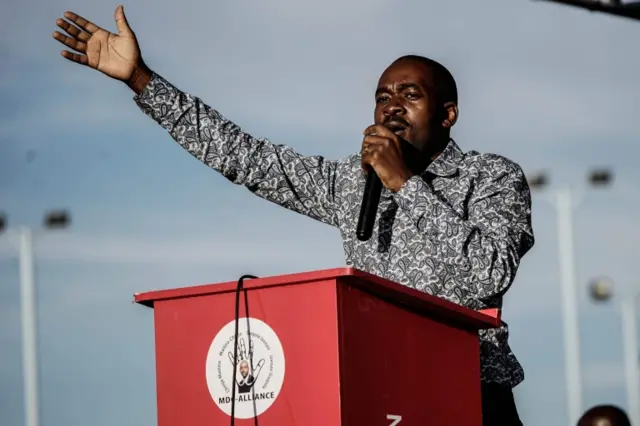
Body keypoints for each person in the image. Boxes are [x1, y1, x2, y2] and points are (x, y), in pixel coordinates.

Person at [51, 6, 534, 425]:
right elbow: (245, 156)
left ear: (448, 113)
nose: (391, 108)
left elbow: (486, 275)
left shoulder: (489, 176)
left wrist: (403, 184)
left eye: (410, 95)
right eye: (382, 96)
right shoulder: (352, 181)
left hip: (470, 393)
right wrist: (141, 80)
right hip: (379, 396)